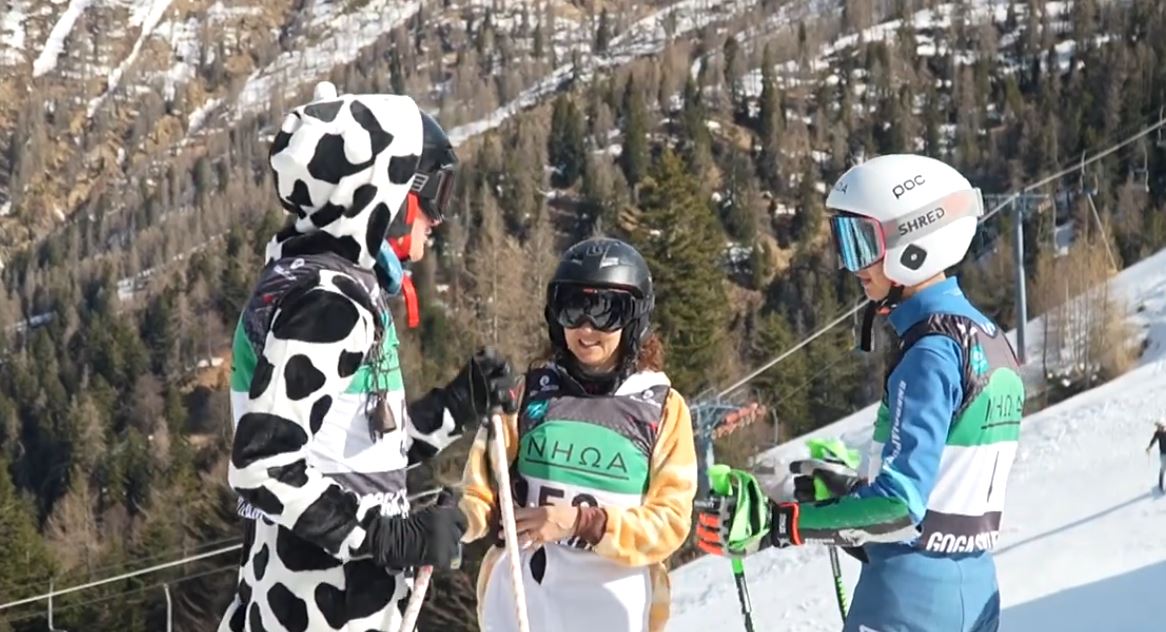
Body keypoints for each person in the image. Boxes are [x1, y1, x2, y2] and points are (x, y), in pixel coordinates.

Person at [220, 82, 517, 632]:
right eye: (434, 197)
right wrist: (389, 537)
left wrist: (458, 403)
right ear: (386, 195)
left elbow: (360, 451)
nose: (438, 219)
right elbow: (263, 465)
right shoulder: (327, 303)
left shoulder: (331, 287)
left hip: (333, 601)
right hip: (317, 606)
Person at [696, 154, 1024, 632]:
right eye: (846, 245)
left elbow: (899, 507)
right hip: (971, 588)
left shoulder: (929, 353)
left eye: (863, 244)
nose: (854, 268)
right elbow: (945, 498)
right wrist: (845, 489)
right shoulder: (990, 338)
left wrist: (779, 524)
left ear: (915, 244)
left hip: (905, 598)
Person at [457, 237, 699, 632]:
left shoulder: (661, 408)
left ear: (633, 319)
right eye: (573, 310)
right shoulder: (526, 393)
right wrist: (446, 527)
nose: (587, 329)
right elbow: (479, 492)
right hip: (523, 602)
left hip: (611, 606)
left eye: (606, 312)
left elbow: (670, 523)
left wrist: (583, 523)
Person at [1146, 421, 1166, 492]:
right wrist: (1149, 447)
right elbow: (1153, 440)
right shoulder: (1157, 434)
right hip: (1163, 454)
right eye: (1159, 427)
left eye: (1161, 427)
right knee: (1163, 468)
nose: (1160, 429)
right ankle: (1160, 485)